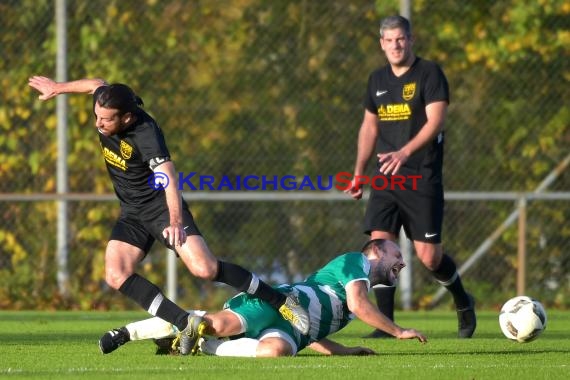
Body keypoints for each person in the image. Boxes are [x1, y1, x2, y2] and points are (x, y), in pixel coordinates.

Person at [28, 76, 309, 354]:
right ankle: (184, 322)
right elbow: (95, 83)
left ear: (126, 118)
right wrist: (58, 88)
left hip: (161, 207)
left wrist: (175, 222)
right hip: (132, 212)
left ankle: (281, 300)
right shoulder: (106, 101)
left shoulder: (146, 134)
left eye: (106, 120)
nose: (98, 124)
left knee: (205, 269)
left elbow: (168, 179)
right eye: (96, 116)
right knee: (116, 274)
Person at [345, 15, 476, 339]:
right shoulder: (376, 79)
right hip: (386, 179)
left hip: (422, 177)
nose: (395, 45)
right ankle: (386, 325)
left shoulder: (429, 73)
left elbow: (436, 122)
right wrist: (359, 173)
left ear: (410, 39)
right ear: (381, 43)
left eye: (400, 39)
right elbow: (369, 127)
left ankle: (462, 299)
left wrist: (404, 152)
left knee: (430, 257)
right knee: (379, 248)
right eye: (388, 40)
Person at [97, 239, 427, 357]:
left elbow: (312, 335)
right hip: (279, 303)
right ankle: (128, 332)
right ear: (376, 253)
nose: (402, 262)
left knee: (276, 352)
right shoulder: (355, 261)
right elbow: (358, 303)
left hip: (292, 332)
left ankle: (203, 345)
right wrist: (398, 331)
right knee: (213, 324)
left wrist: (346, 351)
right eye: (397, 254)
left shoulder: (356, 293)